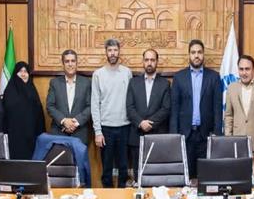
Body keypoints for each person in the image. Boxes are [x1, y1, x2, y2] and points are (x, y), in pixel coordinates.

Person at [170, 39, 223, 179]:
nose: (196, 55)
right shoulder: (179, 77)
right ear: (189, 55)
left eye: (199, 52)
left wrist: (217, 134)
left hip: (206, 136)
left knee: (206, 177)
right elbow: (174, 109)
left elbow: (217, 108)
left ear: (203, 54)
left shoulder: (214, 77)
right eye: (193, 52)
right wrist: (174, 135)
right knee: (186, 176)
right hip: (185, 136)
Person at [91, 39, 133, 188]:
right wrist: (98, 131)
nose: (113, 53)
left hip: (125, 127)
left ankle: (123, 197)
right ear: (106, 52)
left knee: (124, 167)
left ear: (119, 51)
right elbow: (94, 104)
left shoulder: (127, 73)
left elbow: (131, 100)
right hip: (105, 129)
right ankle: (107, 197)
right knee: (107, 169)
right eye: (110, 50)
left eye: (115, 50)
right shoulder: (98, 74)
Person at [126, 48, 171, 177]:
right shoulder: (133, 83)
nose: (149, 63)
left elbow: (166, 108)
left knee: (156, 174)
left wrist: (150, 123)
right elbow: (129, 107)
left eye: (152, 60)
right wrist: (141, 122)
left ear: (157, 62)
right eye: (147, 60)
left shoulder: (165, 84)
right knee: (138, 174)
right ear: (143, 62)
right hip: (137, 135)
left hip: (157, 135)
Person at [224, 54, 254, 157]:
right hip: (236, 143)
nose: (244, 73)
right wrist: (228, 140)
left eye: (247, 69)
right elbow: (228, 116)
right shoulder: (231, 88)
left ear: (253, 70)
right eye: (241, 69)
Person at [46, 49, 92, 147]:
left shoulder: (86, 83)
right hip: (59, 133)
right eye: (67, 61)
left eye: (73, 61)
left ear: (76, 63)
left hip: (80, 133)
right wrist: (64, 121)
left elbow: (90, 106)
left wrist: (76, 122)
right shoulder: (54, 83)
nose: (70, 64)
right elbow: (50, 106)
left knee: (78, 158)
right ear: (63, 64)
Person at [2, 62, 45, 160]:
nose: (23, 74)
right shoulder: (9, 91)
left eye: (25, 71)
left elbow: (39, 114)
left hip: (31, 134)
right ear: (15, 73)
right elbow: (5, 115)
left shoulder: (32, 90)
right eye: (20, 71)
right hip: (14, 135)